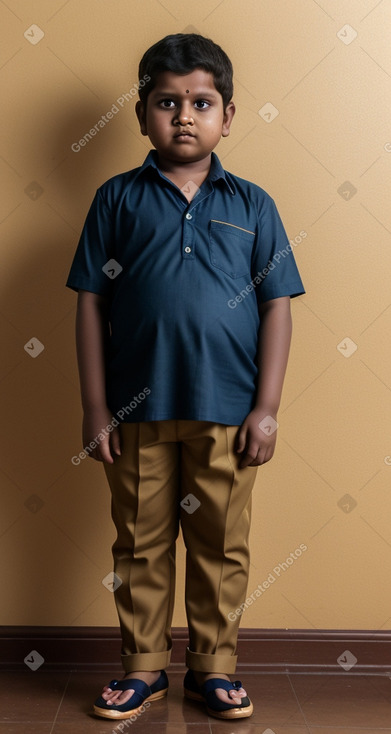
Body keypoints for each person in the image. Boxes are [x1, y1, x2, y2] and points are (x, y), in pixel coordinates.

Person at [66, 32, 305, 722]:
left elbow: (276, 309)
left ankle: (213, 667)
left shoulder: (252, 205)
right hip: (136, 408)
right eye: (166, 102)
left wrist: (266, 408)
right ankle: (143, 668)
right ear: (141, 113)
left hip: (228, 411)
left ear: (227, 116)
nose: (183, 116)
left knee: (220, 542)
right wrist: (95, 406)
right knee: (139, 542)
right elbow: (91, 304)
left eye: (201, 102)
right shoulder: (116, 200)